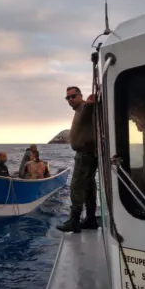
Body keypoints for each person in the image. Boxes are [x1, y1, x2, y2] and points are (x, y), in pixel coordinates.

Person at [56, 86, 99, 233]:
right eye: (67, 97)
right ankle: (91, 219)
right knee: (89, 188)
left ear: (80, 96)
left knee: (76, 187)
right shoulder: (79, 110)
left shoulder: (84, 108)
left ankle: (74, 221)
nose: (70, 100)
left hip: (85, 155)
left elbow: (91, 104)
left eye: (73, 96)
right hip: (88, 155)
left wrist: (91, 99)